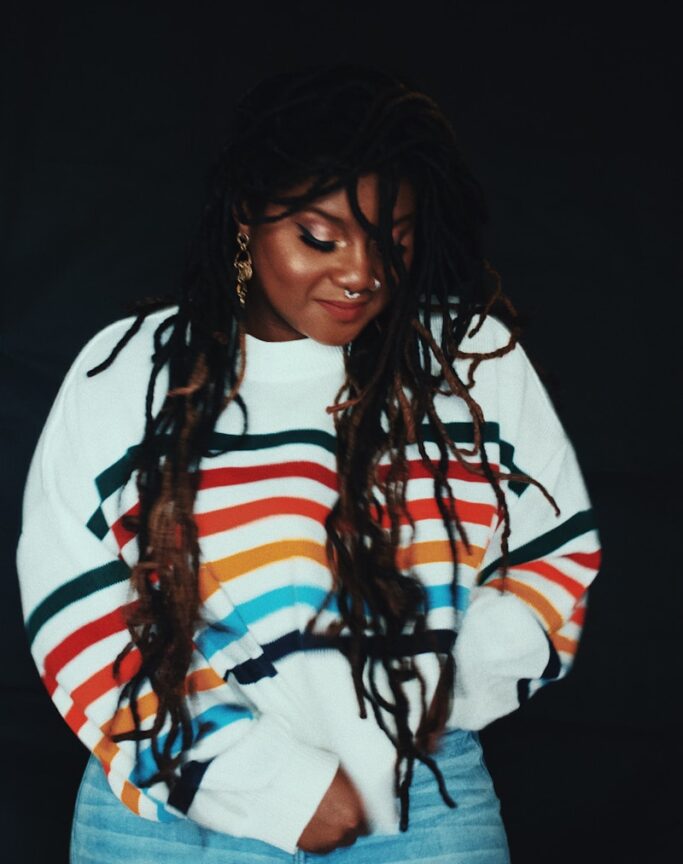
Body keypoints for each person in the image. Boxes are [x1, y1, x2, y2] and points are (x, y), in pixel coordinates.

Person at [17, 66, 600, 864]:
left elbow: (553, 555)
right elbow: (75, 604)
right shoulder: (132, 372)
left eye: (392, 239)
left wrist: (412, 711)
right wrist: (258, 782)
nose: (361, 273)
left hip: (416, 807)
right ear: (244, 223)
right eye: (320, 238)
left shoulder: (469, 362)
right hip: (172, 814)